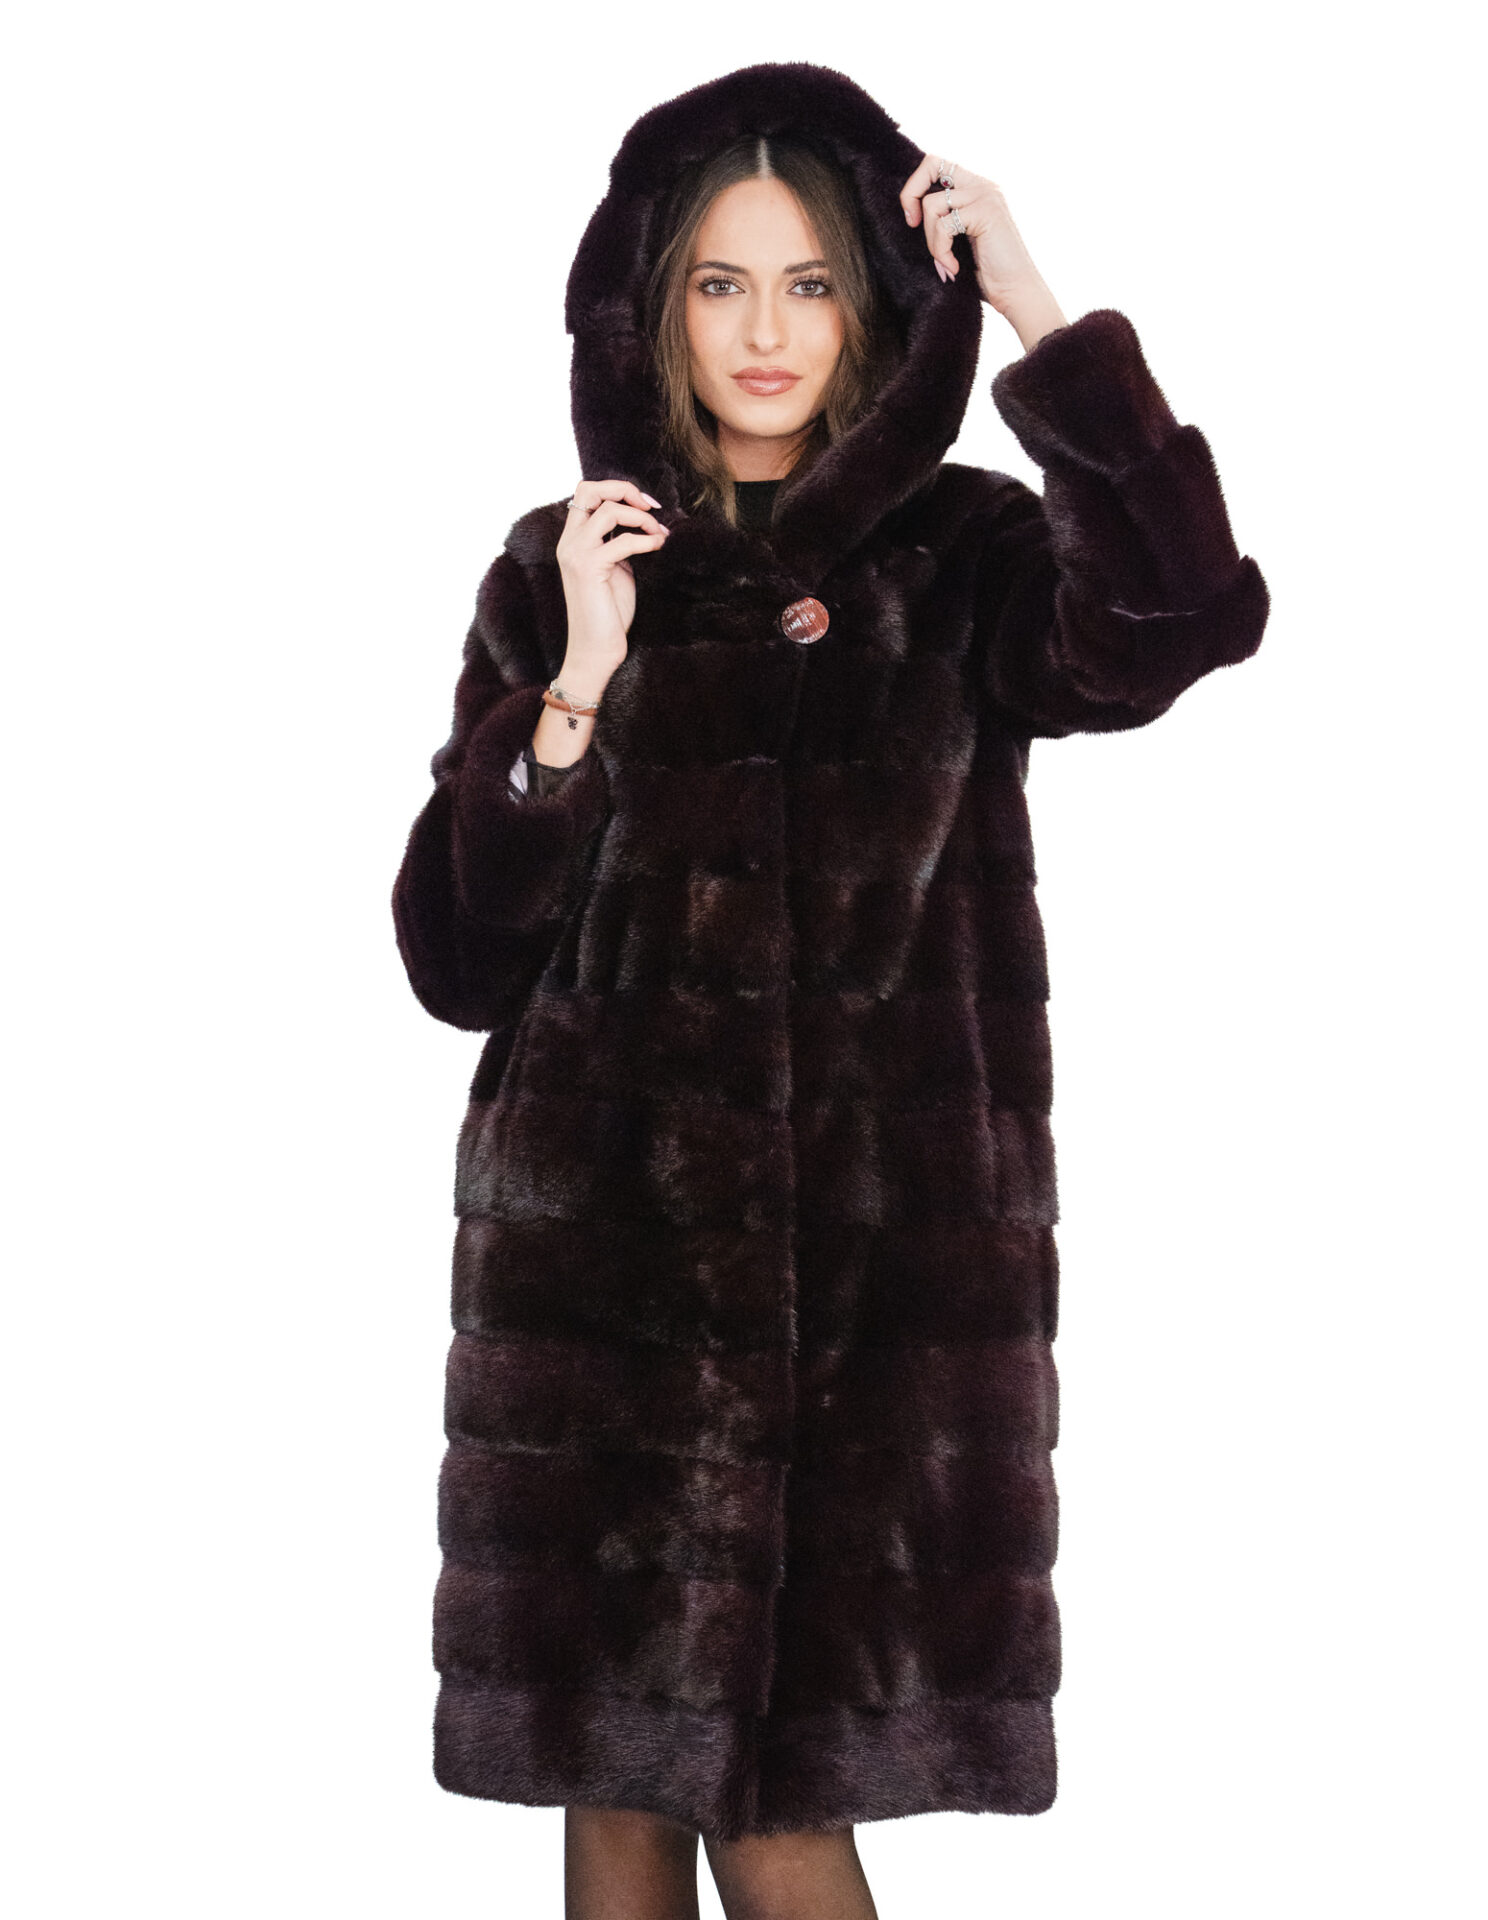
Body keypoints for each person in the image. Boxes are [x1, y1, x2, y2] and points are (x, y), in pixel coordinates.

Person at [392, 62, 1268, 1920]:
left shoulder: (963, 557)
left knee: (782, 1815)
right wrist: (578, 681)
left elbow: (1179, 619)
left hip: (873, 1318)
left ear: (873, 303)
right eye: (720, 284)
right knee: (617, 1800)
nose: (766, 331)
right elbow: (457, 960)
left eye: (808, 283)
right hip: (604, 1306)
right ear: (654, 309)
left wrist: (1038, 308)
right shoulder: (563, 569)